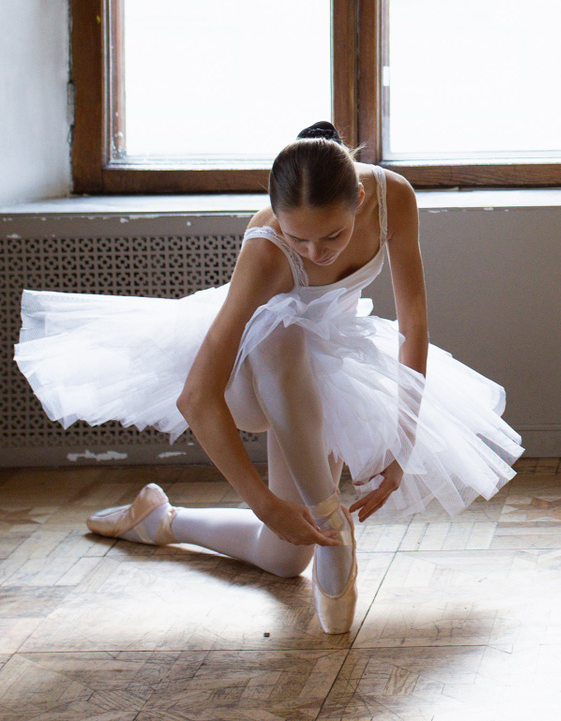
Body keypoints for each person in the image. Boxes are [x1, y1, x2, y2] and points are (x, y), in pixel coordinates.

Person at [14, 122, 520, 633]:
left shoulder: (394, 198)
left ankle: (160, 518)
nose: (316, 252)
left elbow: (413, 325)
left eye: (333, 235)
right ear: (277, 216)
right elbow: (197, 396)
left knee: (283, 558)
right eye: (298, 237)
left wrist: (400, 448)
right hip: (246, 382)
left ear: (360, 199)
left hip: (322, 376)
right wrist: (263, 503)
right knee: (281, 325)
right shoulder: (265, 249)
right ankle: (331, 519)